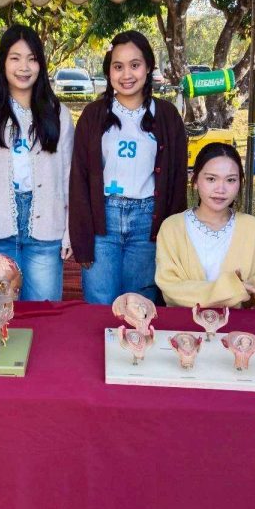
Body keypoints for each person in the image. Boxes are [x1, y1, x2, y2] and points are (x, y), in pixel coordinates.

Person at [69, 30, 188, 305]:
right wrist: (82, 239)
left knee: (141, 305)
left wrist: (173, 236)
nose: (126, 75)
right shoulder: (93, 115)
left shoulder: (167, 115)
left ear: (148, 67)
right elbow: (79, 179)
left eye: (135, 65)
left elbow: (177, 181)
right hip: (103, 221)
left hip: (149, 222)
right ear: (108, 71)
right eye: (118, 66)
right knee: (100, 303)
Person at [0, 24, 74, 301]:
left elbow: (69, 176)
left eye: (32, 59)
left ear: (41, 65)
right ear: (3, 62)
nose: (24, 67)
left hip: (46, 229)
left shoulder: (58, 113)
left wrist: (69, 230)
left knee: (43, 314)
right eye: (15, 58)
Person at [155, 142, 255, 311]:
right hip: (184, 323)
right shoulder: (172, 227)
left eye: (230, 180)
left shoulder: (253, 228)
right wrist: (233, 289)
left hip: (237, 325)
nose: (221, 189)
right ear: (194, 180)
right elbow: (171, 289)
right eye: (211, 179)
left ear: (240, 183)